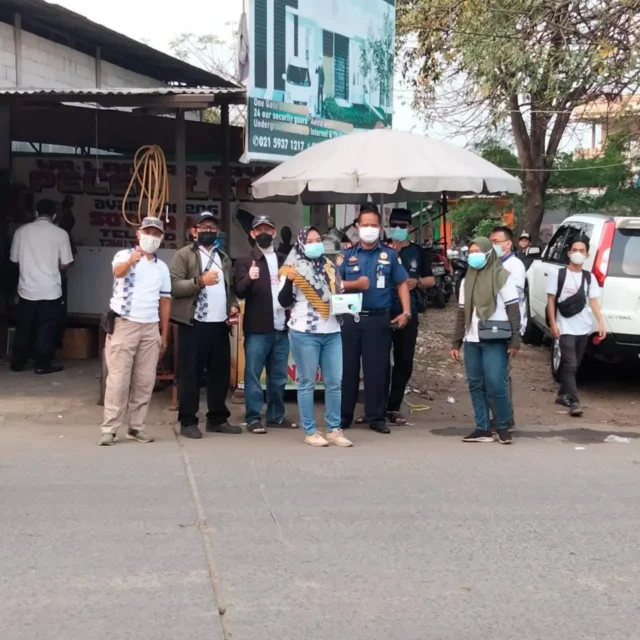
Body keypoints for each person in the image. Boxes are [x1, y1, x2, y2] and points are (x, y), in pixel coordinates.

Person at [337, 204, 411, 434]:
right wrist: (354, 285)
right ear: (357, 228)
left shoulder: (389, 255)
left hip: (379, 320)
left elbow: (401, 283)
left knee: (377, 371)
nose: (369, 229)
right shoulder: (346, 256)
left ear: (380, 228)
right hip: (350, 319)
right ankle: (343, 417)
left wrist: (406, 311)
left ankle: (376, 418)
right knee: (347, 370)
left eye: (373, 225)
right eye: (365, 225)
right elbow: (333, 285)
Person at [99, 217, 171, 446]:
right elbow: (118, 273)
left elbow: (165, 301)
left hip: (150, 327)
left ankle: (136, 427)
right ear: (139, 234)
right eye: (148, 232)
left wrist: (164, 334)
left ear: (161, 238)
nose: (152, 237)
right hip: (125, 324)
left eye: (156, 233)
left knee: (145, 380)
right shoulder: (123, 256)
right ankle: (110, 428)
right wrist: (132, 260)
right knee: (118, 380)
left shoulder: (162, 267)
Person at [278, 227, 352, 447]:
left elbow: (339, 294)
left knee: (334, 383)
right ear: (301, 244)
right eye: (309, 240)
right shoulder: (292, 268)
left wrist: (348, 305)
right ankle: (310, 431)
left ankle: (334, 429)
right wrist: (290, 281)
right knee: (307, 382)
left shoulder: (330, 267)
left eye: (318, 240)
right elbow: (283, 302)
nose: (315, 244)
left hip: (332, 331)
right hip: (305, 332)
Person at [170, 212, 241, 439]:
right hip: (194, 324)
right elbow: (173, 286)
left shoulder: (224, 258)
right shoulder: (184, 255)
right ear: (194, 231)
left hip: (219, 325)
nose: (208, 231)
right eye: (203, 227)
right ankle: (188, 420)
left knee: (219, 375)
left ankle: (217, 419)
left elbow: (227, 290)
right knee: (190, 374)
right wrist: (200, 281)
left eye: (212, 227)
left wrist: (232, 306)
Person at [450, 237, 521, 445]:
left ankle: (502, 425)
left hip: (495, 338)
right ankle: (482, 427)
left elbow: (513, 309)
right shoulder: (466, 280)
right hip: (472, 337)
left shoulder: (502, 277)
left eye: (477, 251)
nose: (473, 255)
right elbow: (462, 313)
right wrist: (456, 342)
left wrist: (515, 338)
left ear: (489, 253)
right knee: (475, 382)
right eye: (470, 251)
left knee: (496, 383)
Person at [234, 215, 296, 434]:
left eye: (267, 230)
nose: (263, 233)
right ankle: (253, 417)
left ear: (274, 233)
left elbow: (293, 290)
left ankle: (276, 416)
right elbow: (239, 291)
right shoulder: (245, 261)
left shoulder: (284, 260)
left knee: (278, 377)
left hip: (281, 327)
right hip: (257, 328)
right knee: (252, 375)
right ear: (252, 234)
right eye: (259, 229)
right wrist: (249, 277)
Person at [10, 199, 73, 374]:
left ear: (36, 213)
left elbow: (14, 259)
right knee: (46, 327)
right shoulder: (60, 234)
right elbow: (65, 263)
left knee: (24, 325)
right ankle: (42, 364)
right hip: (50, 289)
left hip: (26, 288)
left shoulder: (21, 232)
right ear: (54, 215)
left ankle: (18, 362)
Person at [384, 208, 435, 424]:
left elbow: (431, 280)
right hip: (384, 310)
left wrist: (418, 283)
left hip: (409, 312)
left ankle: (393, 406)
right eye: (394, 225)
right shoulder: (381, 250)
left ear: (409, 228)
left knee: (404, 361)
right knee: (379, 361)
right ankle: (377, 405)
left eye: (402, 226)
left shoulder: (417, 252)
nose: (398, 230)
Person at [546, 237, 605, 417]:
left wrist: (601, 322)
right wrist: (553, 323)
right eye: (574, 250)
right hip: (565, 327)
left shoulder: (589, 278)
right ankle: (574, 401)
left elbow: (593, 302)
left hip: (583, 328)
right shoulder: (559, 274)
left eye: (581, 250)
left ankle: (562, 395)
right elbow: (551, 300)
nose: (577, 253)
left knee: (575, 364)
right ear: (569, 252)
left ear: (587, 255)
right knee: (570, 364)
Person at [489, 225, 527, 429]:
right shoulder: (493, 264)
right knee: (494, 373)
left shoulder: (515, 266)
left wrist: (515, 334)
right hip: (491, 326)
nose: (493, 245)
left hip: (505, 326)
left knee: (500, 375)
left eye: (496, 241)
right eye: (491, 241)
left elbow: (514, 301)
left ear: (508, 243)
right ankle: (501, 415)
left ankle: (504, 418)